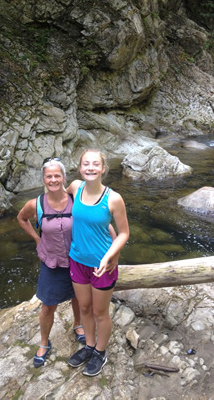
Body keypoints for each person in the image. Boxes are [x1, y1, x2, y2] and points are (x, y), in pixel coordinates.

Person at [17, 157, 85, 368]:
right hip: (51, 262)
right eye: (49, 176)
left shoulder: (77, 198)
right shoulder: (35, 204)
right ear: (44, 179)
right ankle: (44, 342)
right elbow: (21, 218)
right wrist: (37, 239)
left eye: (57, 175)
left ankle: (78, 325)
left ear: (64, 177)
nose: (53, 179)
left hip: (77, 259)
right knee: (48, 306)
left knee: (78, 298)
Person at [67, 148, 129, 377]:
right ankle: (90, 346)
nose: (90, 168)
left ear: (103, 168)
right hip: (77, 260)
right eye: (86, 164)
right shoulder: (75, 187)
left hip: (102, 265)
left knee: (100, 311)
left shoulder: (113, 198)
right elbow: (60, 201)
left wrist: (111, 255)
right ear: (80, 167)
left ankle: (100, 353)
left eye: (95, 164)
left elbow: (123, 233)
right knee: (84, 307)